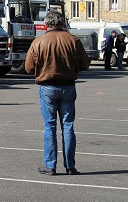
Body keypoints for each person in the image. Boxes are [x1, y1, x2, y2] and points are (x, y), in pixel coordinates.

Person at [25, 11, 90, 176]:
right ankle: (70, 166)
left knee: (50, 126)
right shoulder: (73, 40)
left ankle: (50, 165)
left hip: (47, 86)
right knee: (68, 126)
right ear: (62, 22)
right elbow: (85, 65)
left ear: (47, 24)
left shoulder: (39, 41)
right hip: (68, 85)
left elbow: (29, 68)